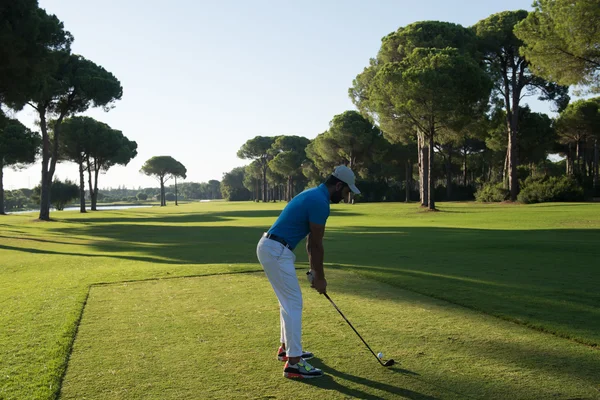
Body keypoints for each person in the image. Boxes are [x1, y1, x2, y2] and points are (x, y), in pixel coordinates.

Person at [256, 165, 360, 379]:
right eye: (347, 191)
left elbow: (310, 243)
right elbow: (315, 245)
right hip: (276, 250)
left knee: (288, 303)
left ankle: (286, 349)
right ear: (338, 185)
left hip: (271, 247)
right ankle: (294, 363)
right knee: (293, 303)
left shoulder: (313, 194)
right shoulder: (320, 202)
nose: (347, 196)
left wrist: (314, 270)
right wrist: (320, 278)